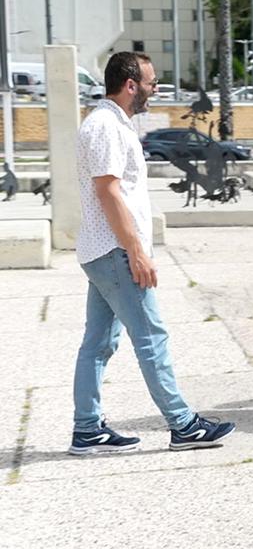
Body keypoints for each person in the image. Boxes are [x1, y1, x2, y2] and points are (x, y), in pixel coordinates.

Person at [69, 51, 236, 454]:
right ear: (131, 85)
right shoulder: (106, 125)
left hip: (103, 250)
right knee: (151, 337)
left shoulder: (109, 123)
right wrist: (136, 252)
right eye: (152, 82)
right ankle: (183, 424)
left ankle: (87, 429)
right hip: (115, 251)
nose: (156, 89)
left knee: (98, 343)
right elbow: (108, 192)